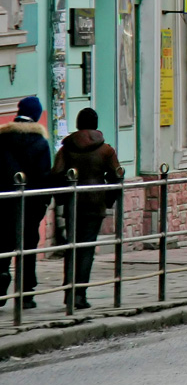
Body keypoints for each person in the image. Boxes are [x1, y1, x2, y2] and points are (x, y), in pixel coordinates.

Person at [52, 108, 122, 310]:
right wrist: (107, 199)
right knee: (87, 248)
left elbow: (56, 173)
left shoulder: (66, 148)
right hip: (95, 202)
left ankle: (69, 292)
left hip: (74, 202)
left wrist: (63, 196)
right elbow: (117, 177)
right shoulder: (106, 150)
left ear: (78, 123)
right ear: (96, 125)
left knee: (72, 246)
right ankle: (80, 295)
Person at [0, 97, 53, 309]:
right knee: (28, 247)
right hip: (31, 205)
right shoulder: (40, 143)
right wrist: (42, 205)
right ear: (37, 115)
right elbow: (44, 177)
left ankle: (1, 282)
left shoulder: (2, 139)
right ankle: (26, 293)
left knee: (3, 244)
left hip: (3, 203)